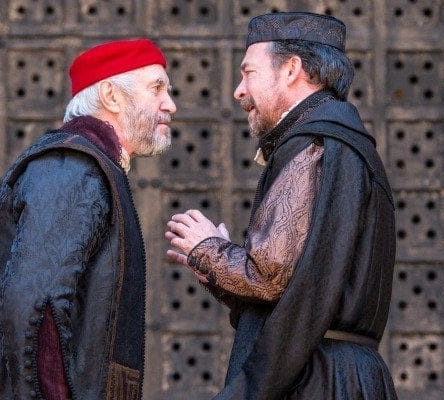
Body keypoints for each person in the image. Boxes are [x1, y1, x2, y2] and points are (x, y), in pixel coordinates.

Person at [165, 12, 397, 399]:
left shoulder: (315, 143)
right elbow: (296, 286)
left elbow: (269, 276)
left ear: (291, 70)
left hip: (318, 380)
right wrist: (216, 267)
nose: (239, 91)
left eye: (248, 73)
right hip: (347, 375)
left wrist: (207, 249)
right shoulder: (343, 141)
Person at [0, 38, 176, 400]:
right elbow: (37, 307)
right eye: (157, 88)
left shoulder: (90, 165)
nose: (170, 104)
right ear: (111, 95)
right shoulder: (72, 168)